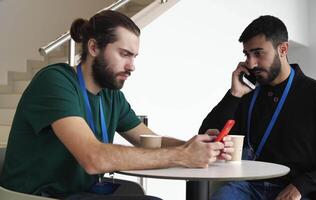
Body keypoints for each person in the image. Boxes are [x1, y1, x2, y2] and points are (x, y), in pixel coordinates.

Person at [0, 10, 233, 200]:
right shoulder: (55, 81)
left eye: (134, 57)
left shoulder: (111, 95)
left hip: (79, 193)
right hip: (37, 196)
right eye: (124, 54)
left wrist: (195, 146)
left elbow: (150, 142)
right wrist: (183, 156)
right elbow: (94, 159)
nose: (132, 66)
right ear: (93, 48)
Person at [199, 15, 316, 200]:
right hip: (247, 187)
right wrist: (234, 94)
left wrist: (301, 186)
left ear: (283, 49)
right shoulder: (247, 94)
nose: (251, 63)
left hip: (294, 190)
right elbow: (206, 135)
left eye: (258, 53)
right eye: (247, 55)